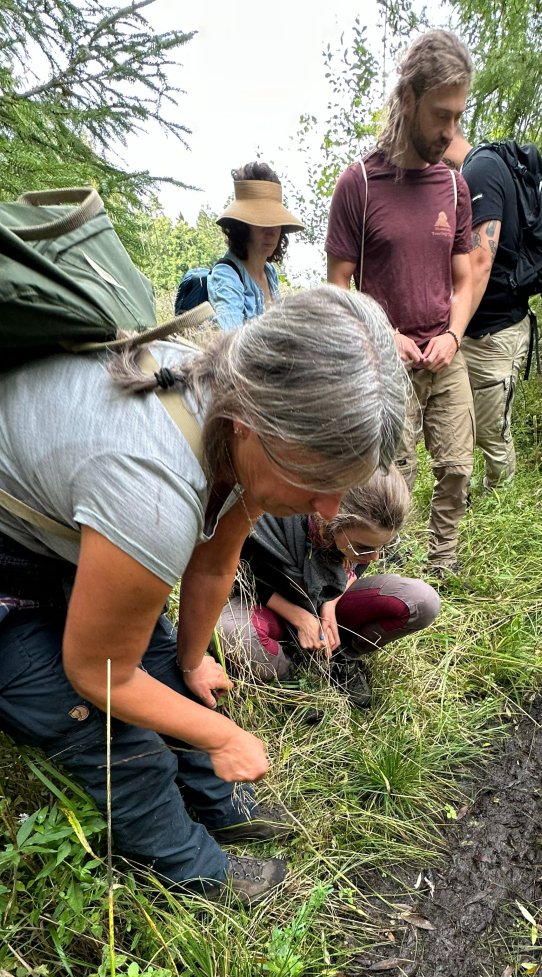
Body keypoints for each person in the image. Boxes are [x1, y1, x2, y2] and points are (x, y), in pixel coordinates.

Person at [0, 287, 406, 902]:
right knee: (118, 742)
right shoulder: (152, 488)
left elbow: (215, 565)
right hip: (11, 571)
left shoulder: (226, 406)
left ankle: (218, 802)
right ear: (255, 423)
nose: (328, 509)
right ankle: (192, 868)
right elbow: (98, 672)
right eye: (320, 479)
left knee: (166, 673)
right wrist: (224, 736)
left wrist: (190, 661)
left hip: (57, 536)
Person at [326, 30, 476, 580]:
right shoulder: (360, 184)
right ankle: (386, 566)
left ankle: (443, 563)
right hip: (387, 361)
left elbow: (463, 279)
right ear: (408, 99)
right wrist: (381, 333)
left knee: (457, 466)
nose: (450, 132)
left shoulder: (456, 188)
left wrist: (454, 336)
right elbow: (338, 285)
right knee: (395, 474)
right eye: (441, 115)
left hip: (445, 351)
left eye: (458, 116)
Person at [217, 467, 441, 709]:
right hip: (271, 604)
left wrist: (330, 604)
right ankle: (291, 680)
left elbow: (353, 569)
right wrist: (300, 618)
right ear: (331, 517)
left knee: (422, 601)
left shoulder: (361, 540)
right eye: (364, 547)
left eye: (383, 546)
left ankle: (342, 658)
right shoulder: (270, 516)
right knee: (229, 629)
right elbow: (245, 575)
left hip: (327, 603)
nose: (374, 557)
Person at [443, 133, 531, 491]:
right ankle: (470, 503)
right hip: (486, 329)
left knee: (492, 434)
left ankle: (499, 510)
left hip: (494, 332)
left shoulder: (479, 171)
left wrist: (452, 331)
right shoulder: (484, 167)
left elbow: (480, 262)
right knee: (464, 426)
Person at [208, 161, 303, 330]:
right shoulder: (226, 276)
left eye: (276, 222)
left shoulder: (269, 272)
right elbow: (230, 342)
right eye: (262, 222)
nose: (272, 231)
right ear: (242, 226)